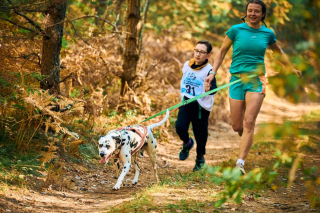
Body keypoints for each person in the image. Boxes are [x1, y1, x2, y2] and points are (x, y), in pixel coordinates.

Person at [205, 0, 301, 174]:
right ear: (246, 12)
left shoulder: (267, 34)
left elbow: (279, 52)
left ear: (263, 14)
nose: (253, 14)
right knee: (237, 126)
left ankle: (240, 163)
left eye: (257, 11)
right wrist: (212, 73)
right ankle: (245, 137)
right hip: (236, 80)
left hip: (257, 80)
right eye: (250, 10)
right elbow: (221, 52)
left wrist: (290, 68)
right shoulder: (236, 30)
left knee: (249, 122)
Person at [176, 40, 217, 172]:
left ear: (208, 55)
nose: (198, 54)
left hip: (201, 106)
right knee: (180, 127)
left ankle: (200, 158)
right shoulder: (187, 65)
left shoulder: (209, 70)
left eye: (202, 52)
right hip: (187, 102)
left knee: (200, 134)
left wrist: (207, 88)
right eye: (196, 50)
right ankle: (187, 143)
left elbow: (214, 89)